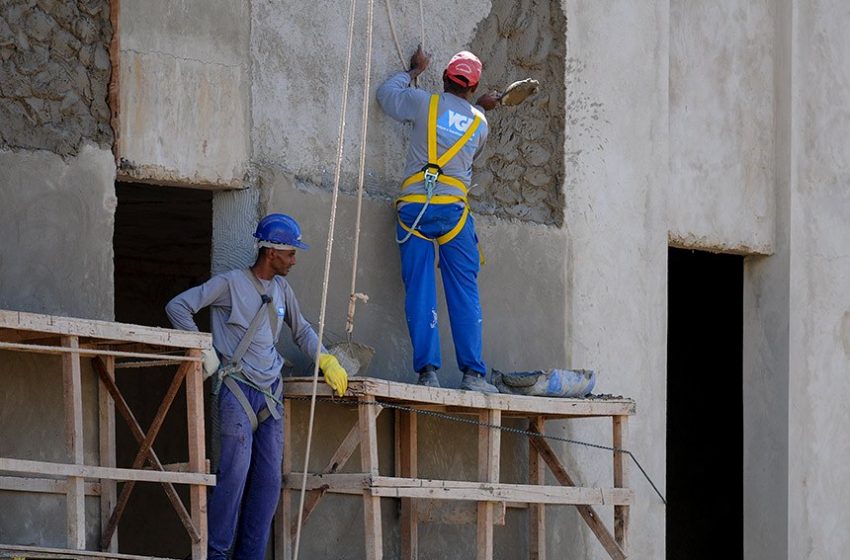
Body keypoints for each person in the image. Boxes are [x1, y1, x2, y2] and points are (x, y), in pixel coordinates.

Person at [165, 213, 348, 560]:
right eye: (290, 253)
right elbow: (179, 307)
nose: (294, 260)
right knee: (233, 479)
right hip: (237, 391)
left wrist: (326, 359)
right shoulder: (230, 283)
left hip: (271, 396)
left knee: (266, 486)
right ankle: (215, 555)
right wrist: (203, 348)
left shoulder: (282, 289)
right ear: (271, 253)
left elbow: (302, 329)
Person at [377, 46, 501, 393]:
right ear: (473, 88)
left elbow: (386, 96)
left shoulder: (423, 103)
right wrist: (480, 108)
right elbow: (464, 133)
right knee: (463, 289)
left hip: (414, 208)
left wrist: (413, 71)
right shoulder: (481, 123)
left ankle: (427, 372)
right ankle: (473, 376)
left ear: (445, 79)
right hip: (453, 213)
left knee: (419, 288)